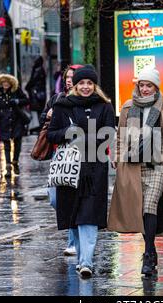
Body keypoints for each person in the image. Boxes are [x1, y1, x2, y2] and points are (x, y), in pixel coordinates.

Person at [108, 67, 163, 277]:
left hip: (159, 164)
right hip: (133, 165)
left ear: (156, 87)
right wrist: (116, 156)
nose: (144, 89)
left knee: (150, 205)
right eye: (141, 85)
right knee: (140, 209)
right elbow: (121, 136)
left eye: (148, 85)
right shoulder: (127, 107)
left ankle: (149, 253)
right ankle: (150, 250)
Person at [47, 65, 115, 278]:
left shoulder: (104, 106)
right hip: (70, 169)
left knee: (89, 215)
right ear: (75, 85)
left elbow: (109, 134)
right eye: (81, 83)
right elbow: (51, 134)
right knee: (73, 215)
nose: (86, 87)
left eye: (89, 83)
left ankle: (86, 262)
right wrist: (68, 132)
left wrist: (86, 138)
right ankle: (80, 258)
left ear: (94, 85)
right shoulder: (62, 106)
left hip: (95, 168)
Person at [39, 64, 83, 257]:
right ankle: (76, 237)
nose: (68, 79)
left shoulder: (85, 102)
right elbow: (45, 120)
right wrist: (48, 115)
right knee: (56, 199)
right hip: (60, 156)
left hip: (81, 155)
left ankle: (74, 242)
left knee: (73, 199)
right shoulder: (57, 99)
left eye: (73, 76)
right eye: (67, 76)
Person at [0, 74, 29, 178]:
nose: (5, 84)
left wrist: (17, 101)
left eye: (7, 82)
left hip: (17, 120)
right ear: (0, 84)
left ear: (11, 83)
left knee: (17, 143)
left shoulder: (16, 90)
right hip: (4, 121)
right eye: (3, 82)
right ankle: (8, 168)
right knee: (6, 144)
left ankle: (15, 162)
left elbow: (26, 100)